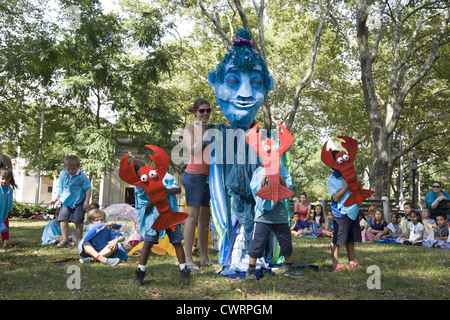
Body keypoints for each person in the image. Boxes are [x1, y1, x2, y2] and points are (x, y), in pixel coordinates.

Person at [131, 158, 190, 285]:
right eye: (140, 174)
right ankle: (140, 271)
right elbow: (143, 210)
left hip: (169, 215)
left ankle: (184, 270)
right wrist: (153, 199)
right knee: (147, 243)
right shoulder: (139, 187)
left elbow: (177, 189)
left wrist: (164, 190)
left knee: (177, 242)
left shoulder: (163, 176)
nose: (145, 175)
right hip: (153, 219)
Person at [246, 160, 302, 279]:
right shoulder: (258, 171)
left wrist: (277, 176)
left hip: (280, 215)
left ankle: (289, 268)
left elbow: (289, 186)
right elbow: (255, 191)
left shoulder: (281, 168)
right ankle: (251, 270)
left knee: (286, 241)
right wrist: (264, 177)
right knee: (258, 242)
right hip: (263, 215)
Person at [182, 98, 216, 271]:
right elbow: (191, 149)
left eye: (208, 110)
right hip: (193, 176)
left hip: (209, 178)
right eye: (201, 111)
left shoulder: (212, 129)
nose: (205, 114)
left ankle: (205, 258)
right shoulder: (190, 128)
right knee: (192, 217)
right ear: (195, 112)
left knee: (205, 219)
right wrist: (205, 137)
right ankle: (188, 259)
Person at [326, 150, 364, 272]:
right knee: (337, 238)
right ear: (333, 164)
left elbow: (358, 189)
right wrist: (346, 185)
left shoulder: (348, 174)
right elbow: (336, 198)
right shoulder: (331, 180)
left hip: (352, 211)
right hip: (340, 213)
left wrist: (354, 182)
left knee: (351, 237)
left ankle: (351, 262)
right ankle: (335, 264)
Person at [49, 155, 92, 247]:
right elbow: (59, 187)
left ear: (77, 167)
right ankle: (65, 239)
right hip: (66, 201)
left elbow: (88, 189)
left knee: (78, 221)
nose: (71, 171)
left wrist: (86, 201)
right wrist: (55, 198)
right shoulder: (63, 174)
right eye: (68, 169)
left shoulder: (82, 177)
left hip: (79, 202)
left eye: (73, 169)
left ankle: (80, 240)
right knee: (63, 219)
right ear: (65, 167)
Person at [0, 167, 18, 248]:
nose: (4, 181)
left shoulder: (9, 189)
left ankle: (6, 241)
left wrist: (9, 209)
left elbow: (10, 200)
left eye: (6, 179)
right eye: (2, 179)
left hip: (4, 212)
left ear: (10, 179)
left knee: (5, 227)